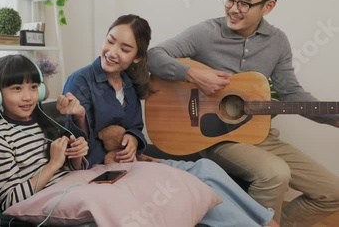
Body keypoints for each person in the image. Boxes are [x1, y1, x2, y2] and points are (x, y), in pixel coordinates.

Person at [147, 0, 339, 227]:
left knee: (332, 193)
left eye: (245, 3)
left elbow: (292, 94)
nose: (233, 9)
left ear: (268, 6)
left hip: (261, 137)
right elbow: (153, 56)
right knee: (275, 174)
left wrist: (335, 117)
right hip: (215, 139)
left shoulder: (277, 41)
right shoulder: (206, 32)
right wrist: (193, 75)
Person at [63, 14, 279, 227]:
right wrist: (79, 116)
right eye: (110, 41)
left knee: (206, 167)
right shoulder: (80, 81)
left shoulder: (128, 84)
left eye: (125, 49)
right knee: (191, 189)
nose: (112, 52)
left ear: (137, 57)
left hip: (134, 162)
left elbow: (136, 127)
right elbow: (76, 148)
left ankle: (265, 221)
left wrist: (132, 138)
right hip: (105, 171)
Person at [0, 54, 88, 211]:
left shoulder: (45, 122)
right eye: (17, 88)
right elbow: (10, 201)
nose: (27, 97)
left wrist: (77, 156)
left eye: (33, 87)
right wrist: (53, 164)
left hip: (73, 187)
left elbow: (71, 171)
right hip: (51, 202)